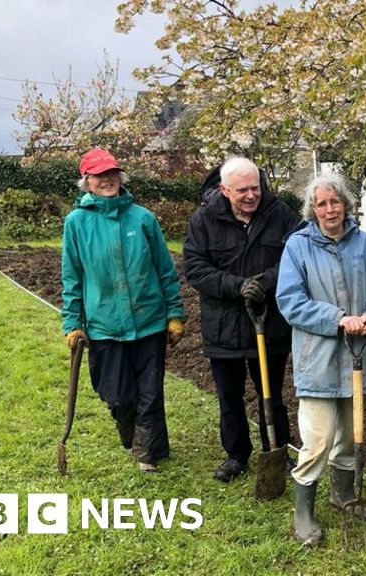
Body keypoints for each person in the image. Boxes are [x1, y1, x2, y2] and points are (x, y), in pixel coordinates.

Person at [276, 174, 366, 546]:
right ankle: (303, 512)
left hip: (358, 356)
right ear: (312, 209)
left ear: (346, 204)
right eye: (322, 203)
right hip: (319, 359)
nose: (329, 209)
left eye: (335, 202)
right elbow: (290, 301)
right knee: (318, 439)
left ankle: (344, 494)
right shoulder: (298, 246)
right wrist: (336, 319)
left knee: (349, 435)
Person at [61, 148, 185, 474]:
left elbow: (165, 271)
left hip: (149, 322)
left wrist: (174, 315)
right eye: (100, 175)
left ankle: (147, 453)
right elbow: (72, 277)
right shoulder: (76, 223)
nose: (108, 180)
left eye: (112, 173)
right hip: (104, 325)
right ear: (86, 181)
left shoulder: (142, 218)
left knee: (149, 391)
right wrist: (72, 324)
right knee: (116, 395)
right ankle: (134, 437)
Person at [183, 156, 299, 482]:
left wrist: (265, 282)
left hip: (269, 322)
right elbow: (196, 268)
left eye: (256, 188)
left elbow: (296, 257)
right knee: (230, 397)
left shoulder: (279, 214)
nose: (251, 195)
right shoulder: (204, 221)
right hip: (224, 328)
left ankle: (275, 449)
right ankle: (236, 455)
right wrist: (237, 286)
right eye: (243, 190)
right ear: (224, 189)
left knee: (271, 394)